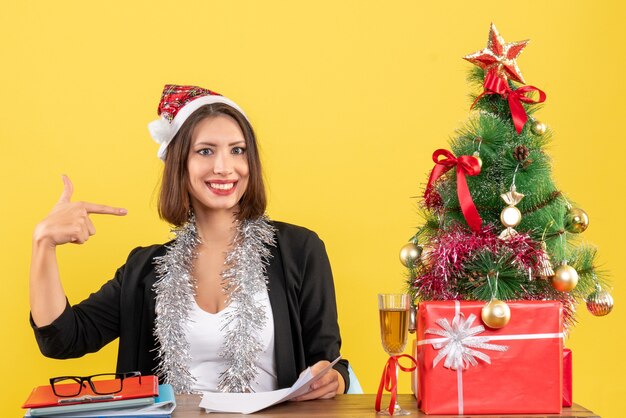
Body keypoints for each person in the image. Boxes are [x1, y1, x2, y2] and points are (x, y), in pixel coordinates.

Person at [29, 84, 349, 398]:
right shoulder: (144, 270)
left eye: (237, 150)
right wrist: (44, 243)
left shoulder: (300, 250)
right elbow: (62, 339)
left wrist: (335, 379)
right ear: (178, 164)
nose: (224, 167)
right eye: (205, 151)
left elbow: (329, 361)